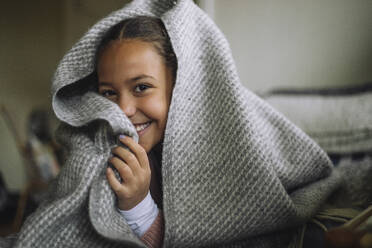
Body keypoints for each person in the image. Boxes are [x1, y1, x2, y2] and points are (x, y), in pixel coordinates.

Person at [2, 0, 370, 247]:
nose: (124, 109)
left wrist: (139, 204)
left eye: (142, 87)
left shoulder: (220, 132)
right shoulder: (107, 143)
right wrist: (133, 201)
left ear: (183, 87)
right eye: (109, 93)